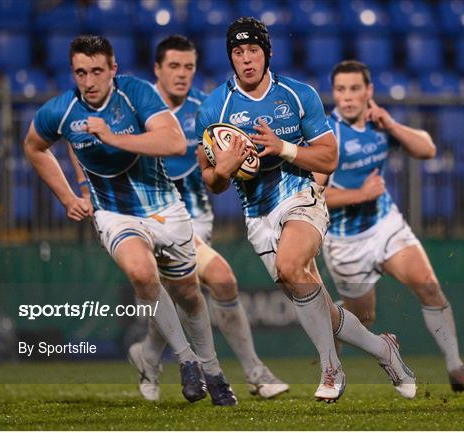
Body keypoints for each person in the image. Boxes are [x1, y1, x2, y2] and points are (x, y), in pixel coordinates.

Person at [196, 17, 416, 402]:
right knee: (315, 303)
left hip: (301, 195)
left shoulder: (298, 95)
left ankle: (331, 369)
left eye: (253, 50)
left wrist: (282, 147)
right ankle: (385, 350)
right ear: (230, 56)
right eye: (238, 52)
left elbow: (329, 158)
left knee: (290, 266)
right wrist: (225, 168)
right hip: (257, 215)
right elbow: (211, 181)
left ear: (267, 53)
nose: (247, 59)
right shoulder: (214, 107)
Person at [23, 35, 237, 406]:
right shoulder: (61, 110)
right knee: (140, 273)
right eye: (80, 72)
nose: (88, 81)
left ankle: (215, 373)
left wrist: (113, 138)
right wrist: (67, 196)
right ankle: (187, 360)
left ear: (113, 70)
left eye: (96, 71)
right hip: (114, 213)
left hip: (165, 209)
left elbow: (172, 142)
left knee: (189, 294)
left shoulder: (135, 93)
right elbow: (34, 146)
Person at [127, 34, 288, 399]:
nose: (182, 74)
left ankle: (148, 354)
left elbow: (223, 166)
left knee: (185, 292)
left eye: (188, 67)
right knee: (220, 280)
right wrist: (83, 183)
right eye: (173, 66)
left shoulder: (206, 110)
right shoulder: (136, 107)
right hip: (148, 214)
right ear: (157, 69)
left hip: (195, 218)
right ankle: (255, 373)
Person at [316, 59, 464, 392]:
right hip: (345, 240)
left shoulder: (380, 125)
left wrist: (392, 124)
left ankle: (456, 368)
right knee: (362, 318)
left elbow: (427, 148)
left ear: (369, 91)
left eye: (354, 89)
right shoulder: (328, 134)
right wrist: (359, 193)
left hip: (385, 224)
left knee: (428, 285)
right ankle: (331, 354)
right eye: (340, 90)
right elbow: (314, 195)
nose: (347, 97)